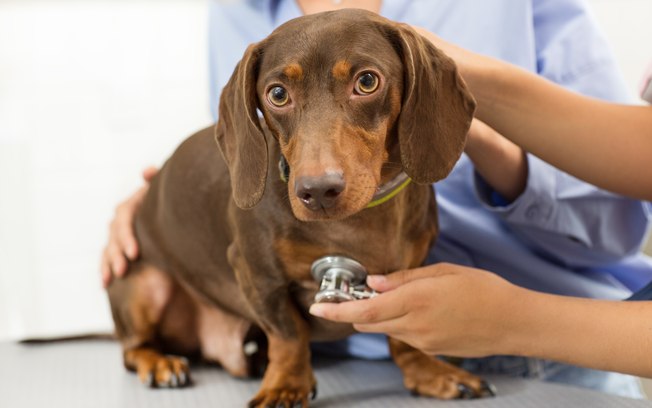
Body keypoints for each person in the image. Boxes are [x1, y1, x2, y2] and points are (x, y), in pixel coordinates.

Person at [101, 0, 652, 398]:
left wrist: (467, 129)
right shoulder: (238, 13)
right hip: (325, 358)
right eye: (279, 94)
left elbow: (621, 219)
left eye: (365, 83)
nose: (318, 175)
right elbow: (243, 175)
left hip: (564, 355)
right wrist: (157, 204)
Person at [309, 40, 652, 378]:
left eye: (367, 82)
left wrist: (514, 322)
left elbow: (619, 227)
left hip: (564, 365)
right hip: (340, 365)